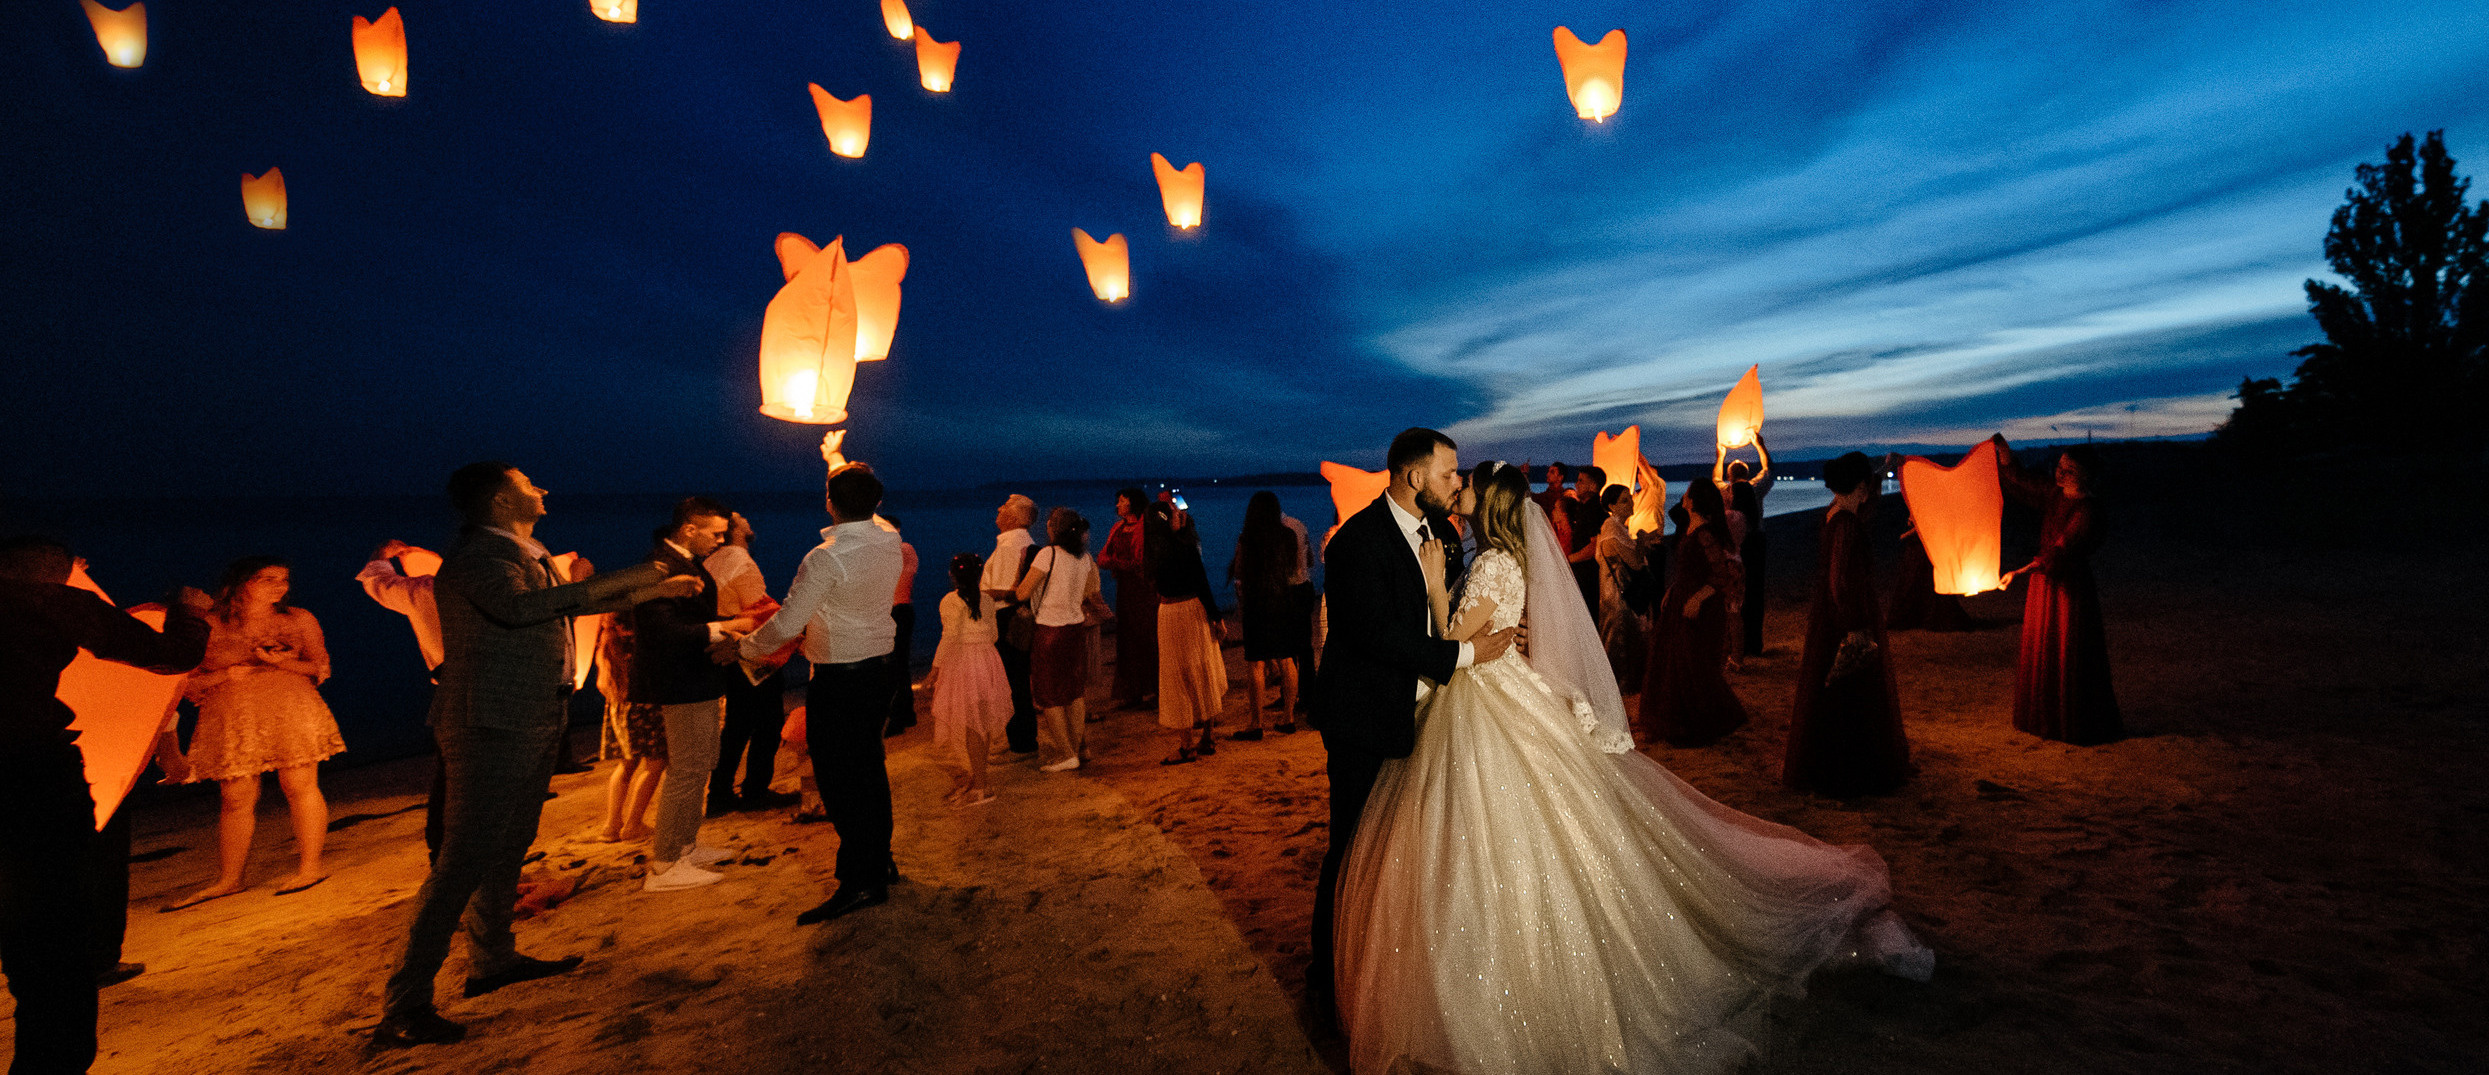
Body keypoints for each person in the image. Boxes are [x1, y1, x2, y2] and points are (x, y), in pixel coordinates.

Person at [1332, 462, 1931, 1074]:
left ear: (1488, 507)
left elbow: (1451, 638)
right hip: (1499, 691)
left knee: (1493, 832)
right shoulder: (1505, 559)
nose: (1458, 491)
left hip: (1484, 700)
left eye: (1467, 487)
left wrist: (1434, 582)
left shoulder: (1490, 564)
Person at [375, 462, 690, 1049]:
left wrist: (651, 588)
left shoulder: (520, 549)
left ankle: (492, 960)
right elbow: (523, 610)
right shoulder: (480, 558)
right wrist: (645, 576)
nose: (542, 489)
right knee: (462, 858)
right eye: (528, 484)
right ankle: (405, 1001)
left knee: (510, 842)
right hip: (488, 719)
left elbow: (552, 606)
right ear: (499, 500)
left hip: (531, 714)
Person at [1303, 430, 1520, 1028]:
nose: (1458, 484)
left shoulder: (1445, 536)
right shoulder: (1356, 543)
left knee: (1401, 857)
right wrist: (1468, 656)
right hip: (1364, 716)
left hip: (1424, 715)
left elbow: (1441, 609)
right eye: (1450, 474)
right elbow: (1375, 635)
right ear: (1413, 477)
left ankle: (1388, 974)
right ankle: (1327, 977)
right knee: (1350, 849)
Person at [1, 536, 208, 1074]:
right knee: (52, 932)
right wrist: (188, 610)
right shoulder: (49, 600)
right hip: (33, 777)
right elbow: (172, 657)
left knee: (27, 931)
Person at [737, 463, 906, 925]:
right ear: (876, 502)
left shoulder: (825, 557)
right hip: (881, 669)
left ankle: (861, 881)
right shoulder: (888, 539)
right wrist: (841, 466)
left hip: (841, 677)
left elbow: (789, 622)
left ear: (829, 502)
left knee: (841, 781)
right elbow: (868, 507)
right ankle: (880, 862)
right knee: (869, 769)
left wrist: (746, 648)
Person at [163, 557, 347, 909]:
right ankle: (230, 879)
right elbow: (183, 682)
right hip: (233, 715)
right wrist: (225, 676)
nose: (280, 586)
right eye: (268, 579)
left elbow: (320, 667)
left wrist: (281, 663)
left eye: (284, 580)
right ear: (240, 584)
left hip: (290, 708)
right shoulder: (209, 624)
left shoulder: (298, 619)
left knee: (299, 785)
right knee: (235, 797)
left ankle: (310, 867)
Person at [632, 498, 752, 893]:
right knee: (686, 768)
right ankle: (666, 863)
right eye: (715, 533)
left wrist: (723, 626)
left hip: (695, 678)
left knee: (700, 763)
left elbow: (689, 619)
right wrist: (726, 628)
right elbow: (662, 631)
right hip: (679, 680)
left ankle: (685, 845)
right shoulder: (660, 567)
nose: (721, 541)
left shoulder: (687, 562)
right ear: (688, 528)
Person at [1784, 452, 1912, 797]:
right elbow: (1840, 579)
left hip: (1831, 611)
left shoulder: (1837, 511)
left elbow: (1864, 508)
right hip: (1845, 612)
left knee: (1833, 687)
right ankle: (1850, 767)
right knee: (1850, 688)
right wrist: (1854, 625)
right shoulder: (1845, 524)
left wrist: (1883, 471)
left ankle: (1834, 760)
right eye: (1867, 482)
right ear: (1859, 485)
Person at [1994, 437, 2122, 744]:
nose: (2060, 473)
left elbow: (2060, 551)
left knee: (2066, 648)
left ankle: (2070, 720)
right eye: (2060, 466)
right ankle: (2042, 715)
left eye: (2069, 469)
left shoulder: (2087, 511)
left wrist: (2019, 571)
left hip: (2068, 589)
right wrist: (2004, 454)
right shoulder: (2054, 495)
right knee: (2044, 647)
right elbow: (2023, 482)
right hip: (2044, 582)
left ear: (2085, 475)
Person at [357, 541, 453, 859]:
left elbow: (378, 581)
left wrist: (380, 554)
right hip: (501, 683)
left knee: (453, 772)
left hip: (454, 688)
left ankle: (444, 852)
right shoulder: (500, 585)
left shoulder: (426, 589)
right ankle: (452, 852)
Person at [1637, 478, 1748, 747]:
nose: (1683, 497)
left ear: (1694, 501)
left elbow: (1721, 575)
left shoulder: (1706, 534)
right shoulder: (1691, 528)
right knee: (1672, 660)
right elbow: (1691, 568)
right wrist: (1673, 589)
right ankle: (1675, 719)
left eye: (1687, 494)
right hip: (1681, 598)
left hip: (1698, 604)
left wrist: (1697, 597)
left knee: (1692, 664)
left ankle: (1703, 720)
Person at [708, 512, 799, 814]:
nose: (749, 521)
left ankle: (719, 792)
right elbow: (758, 610)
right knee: (769, 723)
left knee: (736, 725)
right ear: (736, 530)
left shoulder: (712, 560)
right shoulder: (740, 560)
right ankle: (755, 790)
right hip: (750, 651)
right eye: (743, 519)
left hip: (724, 648)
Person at [1013, 508, 1103, 772]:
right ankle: (1077, 749)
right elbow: (1091, 591)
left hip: (1050, 630)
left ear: (1055, 529)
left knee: (1049, 695)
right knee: (1075, 693)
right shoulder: (1084, 558)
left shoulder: (1047, 554)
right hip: (1075, 629)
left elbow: (1022, 592)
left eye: (1050, 523)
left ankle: (1066, 754)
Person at [1148, 500, 1229, 766]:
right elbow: (1202, 583)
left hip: (1171, 613)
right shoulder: (1187, 548)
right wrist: (1217, 617)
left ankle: (1186, 745)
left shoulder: (1155, 552)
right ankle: (1207, 736)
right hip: (1193, 608)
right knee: (1201, 669)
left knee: (1176, 675)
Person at [1229, 491, 1313, 739]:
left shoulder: (1248, 538)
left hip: (1257, 604)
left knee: (1256, 663)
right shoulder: (1287, 535)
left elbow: (1239, 570)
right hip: (1284, 601)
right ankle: (1288, 718)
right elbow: (1293, 567)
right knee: (1287, 659)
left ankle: (1256, 724)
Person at [927, 554, 1009, 806]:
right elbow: (993, 634)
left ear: (952, 575)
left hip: (965, 662)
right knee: (979, 723)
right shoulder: (986, 599)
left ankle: (982, 786)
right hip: (988, 659)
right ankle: (979, 779)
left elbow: (949, 636)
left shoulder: (950, 601)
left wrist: (935, 669)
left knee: (972, 725)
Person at [592, 584, 662, 844]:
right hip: (644, 704)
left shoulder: (608, 641)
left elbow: (602, 684)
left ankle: (611, 826)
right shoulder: (639, 639)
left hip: (618, 707)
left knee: (626, 764)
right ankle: (633, 824)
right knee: (656, 764)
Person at [982, 494, 1041, 755]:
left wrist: (975, 595)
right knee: (1016, 682)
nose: (998, 507)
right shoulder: (1022, 543)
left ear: (1016, 517)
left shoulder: (1010, 546)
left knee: (1012, 684)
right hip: (1016, 618)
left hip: (1006, 618)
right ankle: (1020, 739)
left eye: (1004, 506)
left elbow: (1009, 591)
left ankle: (1021, 743)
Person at [1096, 488, 1158, 711]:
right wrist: (1121, 564)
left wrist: (1118, 563)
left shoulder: (1146, 526)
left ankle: (1155, 690)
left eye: (1122, 501)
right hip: (1126, 591)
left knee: (1148, 638)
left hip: (1145, 590)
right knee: (1127, 640)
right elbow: (1103, 557)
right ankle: (1132, 692)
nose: (1118, 505)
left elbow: (1142, 561)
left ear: (1133, 503)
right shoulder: (1117, 528)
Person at [1593, 484, 1655, 694]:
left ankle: (1622, 685)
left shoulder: (1615, 528)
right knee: (1619, 639)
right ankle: (1621, 687)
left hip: (1616, 591)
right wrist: (1643, 540)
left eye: (1630, 498)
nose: (1631, 503)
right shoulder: (1612, 528)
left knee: (1622, 637)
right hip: (1619, 594)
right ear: (1611, 506)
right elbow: (1635, 563)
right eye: (1624, 500)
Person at [1716, 433, 1774, 658]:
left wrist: (1720, 455)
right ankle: (1752, 643)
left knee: (1733, 594)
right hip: (1756, 542)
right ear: (1747, 473)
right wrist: (1761, 445)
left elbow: (1715, 477)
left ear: (1729, 475)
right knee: (1754, 592)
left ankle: (1735, 643)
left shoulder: (1724, 491)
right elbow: (1769, 470)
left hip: (1733, 545)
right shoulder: (1755, 489)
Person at [882, 515, 921, 737]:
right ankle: (905, 713)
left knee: (894, 665)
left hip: (899, 611)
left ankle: (899, 716)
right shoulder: (902, 550)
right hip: (897, 610)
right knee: (898, 665)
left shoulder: (903, 548)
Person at [1563, 465, 1607, 613]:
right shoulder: (1583, 508)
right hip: (1582, 572)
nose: (1576, 484)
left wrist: (1568, 560)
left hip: (1588, 575)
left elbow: (1594, 546)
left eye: (1581, 481)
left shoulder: (1595, 511)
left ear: (1593, 486)